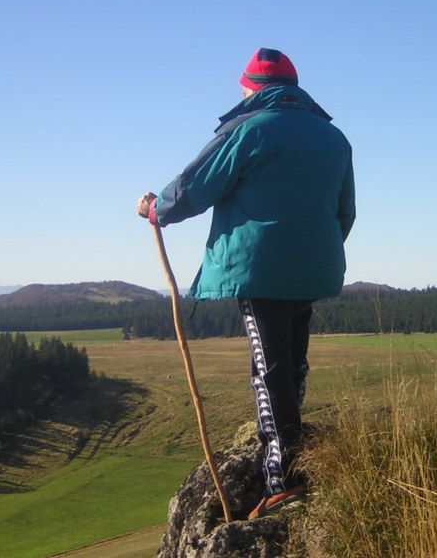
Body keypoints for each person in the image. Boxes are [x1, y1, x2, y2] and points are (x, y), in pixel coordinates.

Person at [136, 48, 355, 519]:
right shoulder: (334, 139)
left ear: (251, 88)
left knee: (269, 366)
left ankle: (283, 478)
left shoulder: (247, 130)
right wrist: (314, 251)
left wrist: (156, 209)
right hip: (312, 267)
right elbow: (345, 213)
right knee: (292, 360)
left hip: (259, 268)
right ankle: (294, 455)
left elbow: (193, 188)